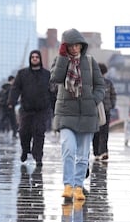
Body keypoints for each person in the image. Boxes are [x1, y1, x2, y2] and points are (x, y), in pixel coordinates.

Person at [50, 28, 105, 201]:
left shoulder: (89, 61)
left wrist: (93, 99)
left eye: (77, 45)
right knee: (68, 148)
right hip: (66, 113)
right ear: (65, 47)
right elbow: (56, 78)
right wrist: (61, 57)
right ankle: (68, 184)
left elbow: (100, 85)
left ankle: (78, 186)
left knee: (82, 154)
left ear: (82, 45)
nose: (75, 49)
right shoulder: (60, 61)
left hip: (87, 114)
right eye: (71, 46)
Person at [8, 50, 53, 167]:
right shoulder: (22, 74)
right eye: (32, 57)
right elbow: (15, 88)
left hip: (41, 109)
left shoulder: (47, 74)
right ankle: (25, 150)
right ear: (30, 59)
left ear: (40, 59)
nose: (34, 59)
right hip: (26, 109)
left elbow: (52, 91)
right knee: (23, 132)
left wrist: (54, 105)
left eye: (37, 57)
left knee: (39, 133)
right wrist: (11, 101)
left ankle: (38, 156)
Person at [92, 63, 116, 161]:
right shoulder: (92, 83)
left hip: (106, 110)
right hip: (94, 111)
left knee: (104, 132)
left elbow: (113, 95)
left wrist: (111, 105)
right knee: (96, 133)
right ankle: (97, 152)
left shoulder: (108, 83)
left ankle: (104, 152)